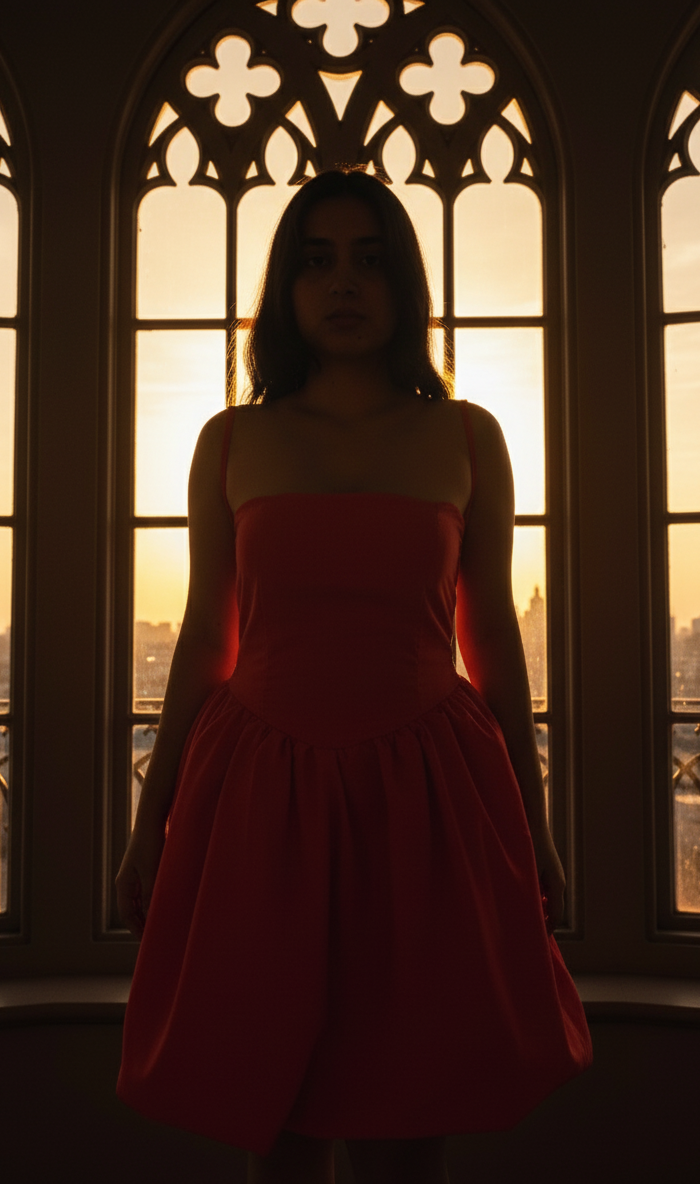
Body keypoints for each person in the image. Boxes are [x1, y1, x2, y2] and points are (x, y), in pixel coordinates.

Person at [116, 168, 592, 1184]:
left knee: (407, 1102)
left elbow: (492, 639)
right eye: (318, 260)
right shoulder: (229, 440)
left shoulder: (468, 435)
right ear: (285, 287)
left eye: (370, 262)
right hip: (260, 795)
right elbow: (208, 637)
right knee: (277, 1111)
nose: (345, 284)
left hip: (424, 797)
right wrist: (146, 824)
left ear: (404, 285)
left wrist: (536, 824)